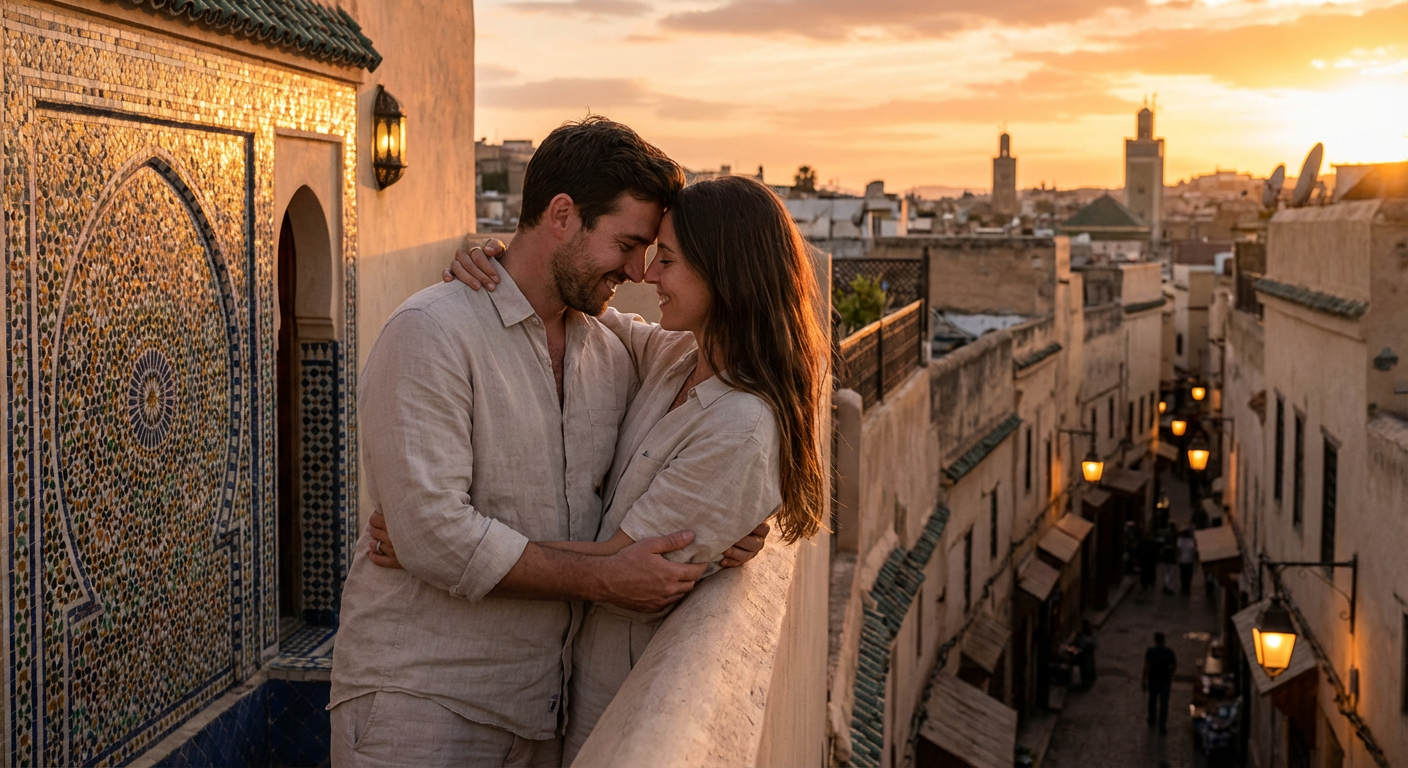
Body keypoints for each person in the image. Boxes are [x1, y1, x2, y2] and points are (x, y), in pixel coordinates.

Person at [329, 118, 767, 768]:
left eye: (652, 251)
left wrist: (732, 513)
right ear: (562, 214)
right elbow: (431, 534)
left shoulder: (613, 346)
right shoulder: (432, 332)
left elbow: (749, 363)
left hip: (543, 716)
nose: (641, 270)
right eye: (627, 243)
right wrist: (607, 578)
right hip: (422, 705)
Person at [389, 175, 829, 763]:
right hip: (551, 697)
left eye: (666, 260)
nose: (647, 274)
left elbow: (630, 570)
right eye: (642, 252)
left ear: (724, 274)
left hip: (615, 704)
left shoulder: (742, 425)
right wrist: (499, 263)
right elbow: (557, 304)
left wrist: (443, 545)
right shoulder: (675, 360)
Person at [1142, 632, 1177, 734]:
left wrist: (1144, 680)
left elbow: (1147, 667)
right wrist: (1170, 673)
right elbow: (1174, 665)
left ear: (1155, 640)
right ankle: (1162, 725)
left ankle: (1152, 720)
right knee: (1164, 704)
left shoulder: (1150, 651)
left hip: (1153, 680)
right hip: (1165, 680)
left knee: (1152, 701)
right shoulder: (1169, 652)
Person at [1068, 621, 1097, 690]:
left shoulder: (1084, 640)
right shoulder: (1088, 638)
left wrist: (1070, 649)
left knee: (1085, 670)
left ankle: (1085, 684)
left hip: (1085, 661)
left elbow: (1079, 650)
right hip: (1087, 660)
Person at [1177, 526, 1197, 596]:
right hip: (1190, 561)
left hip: (1183, 561)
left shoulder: (1180, 540)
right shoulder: (1191, 541)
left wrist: (1178, 559)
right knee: (1189, 576)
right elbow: (1193, 552)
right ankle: (1187, 588)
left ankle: (1183, 588)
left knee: (1183, 575)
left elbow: (1179, 551)